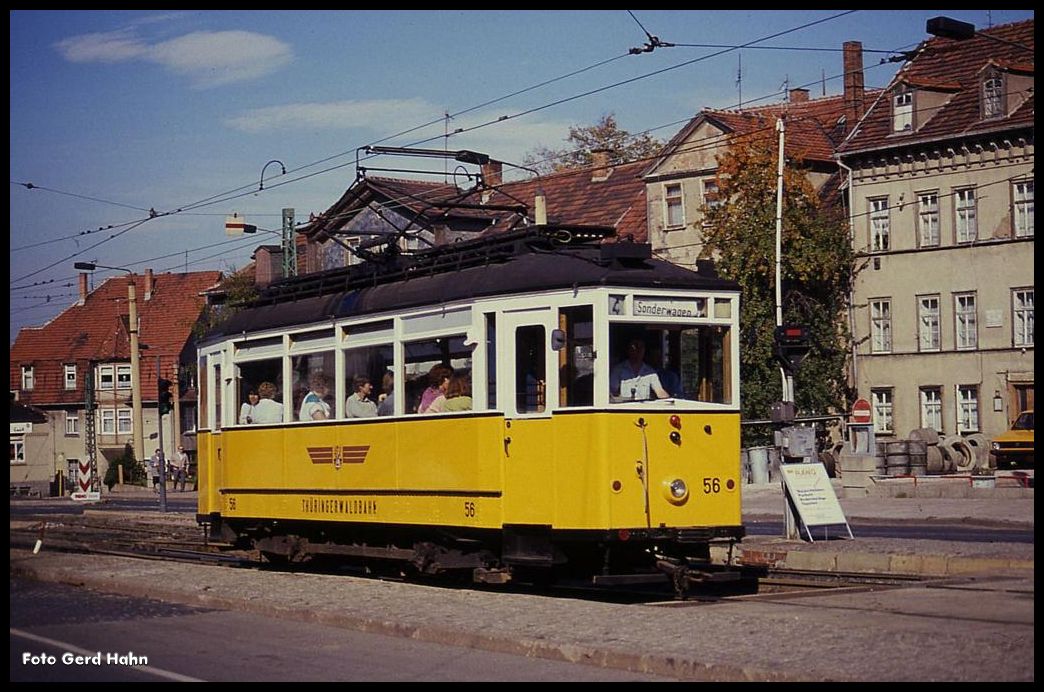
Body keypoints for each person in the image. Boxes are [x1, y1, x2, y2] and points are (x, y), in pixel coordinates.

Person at [610, 338, 669, 402]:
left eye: (641, 347)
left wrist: (670, 402)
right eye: (635, 347)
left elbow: (659, 391)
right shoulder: (618, 370)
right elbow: (612, 392)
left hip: (643, 409)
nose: (638, 350)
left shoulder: (650, 372)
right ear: (629, 349)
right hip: (624, 408)